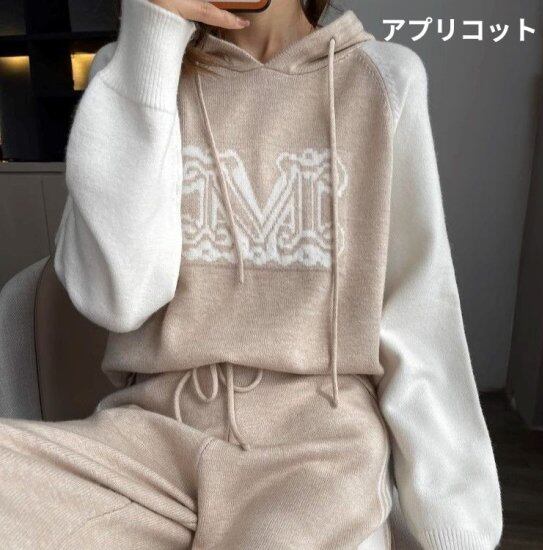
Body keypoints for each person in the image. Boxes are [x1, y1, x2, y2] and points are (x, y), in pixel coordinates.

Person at [0, 0, 503, 548]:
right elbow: (118, 299)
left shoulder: (382, 78)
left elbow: (418, 307)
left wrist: (456, 523)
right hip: (147, 439)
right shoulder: (132, 67)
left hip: (316, 449)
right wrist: (151, 39)